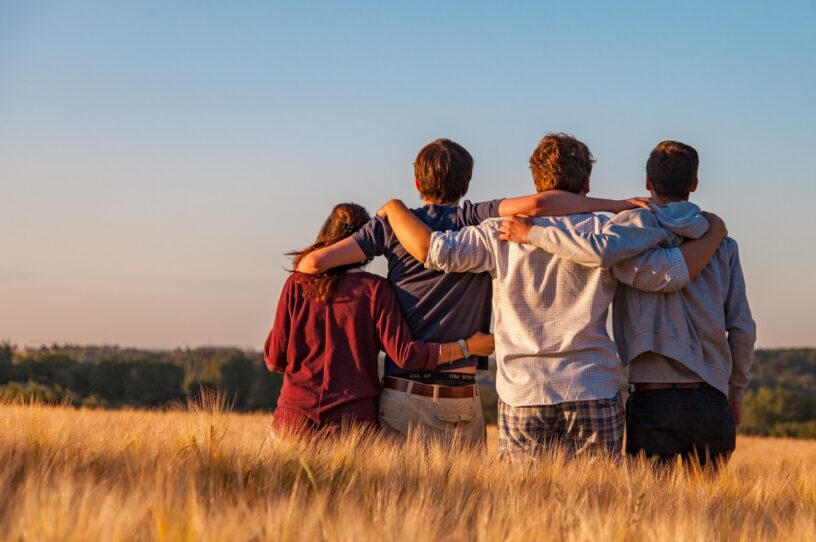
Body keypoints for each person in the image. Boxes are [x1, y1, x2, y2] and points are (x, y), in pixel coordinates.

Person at [378, 133, 728, 461]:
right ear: (587, 184)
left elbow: (435, 252)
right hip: (593, 386)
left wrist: (394, 208)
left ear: (535, 182)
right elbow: (668, 274)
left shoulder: (498, 233)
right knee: (598, 507)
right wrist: (713, 234)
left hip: (524, 392)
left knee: (525, 510)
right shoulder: (607, 233)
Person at [293, 138, 646, 445]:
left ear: (417, 182)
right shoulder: (476, 218)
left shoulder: (390, 226)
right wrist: (615, 205)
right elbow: (540, 205)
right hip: (460, 395)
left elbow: (312, 265)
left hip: (403, 392)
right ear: (467, 182)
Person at [500, 140, 756, 469]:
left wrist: (533, 234)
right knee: (709, 515)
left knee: (649, 513)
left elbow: (596, 251)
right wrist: (736, 393)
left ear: (648, 183)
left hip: (652, 400)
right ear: (694, 184)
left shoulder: (626, 234)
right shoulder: (722, 244)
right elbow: (742, 328)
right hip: (711, 398)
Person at [264, 202, 494, 440]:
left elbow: (274, 359)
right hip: (353, 426)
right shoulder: (375, 290)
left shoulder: (297, 284)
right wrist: (467, 347)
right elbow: (406, 355)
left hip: (293, 422)